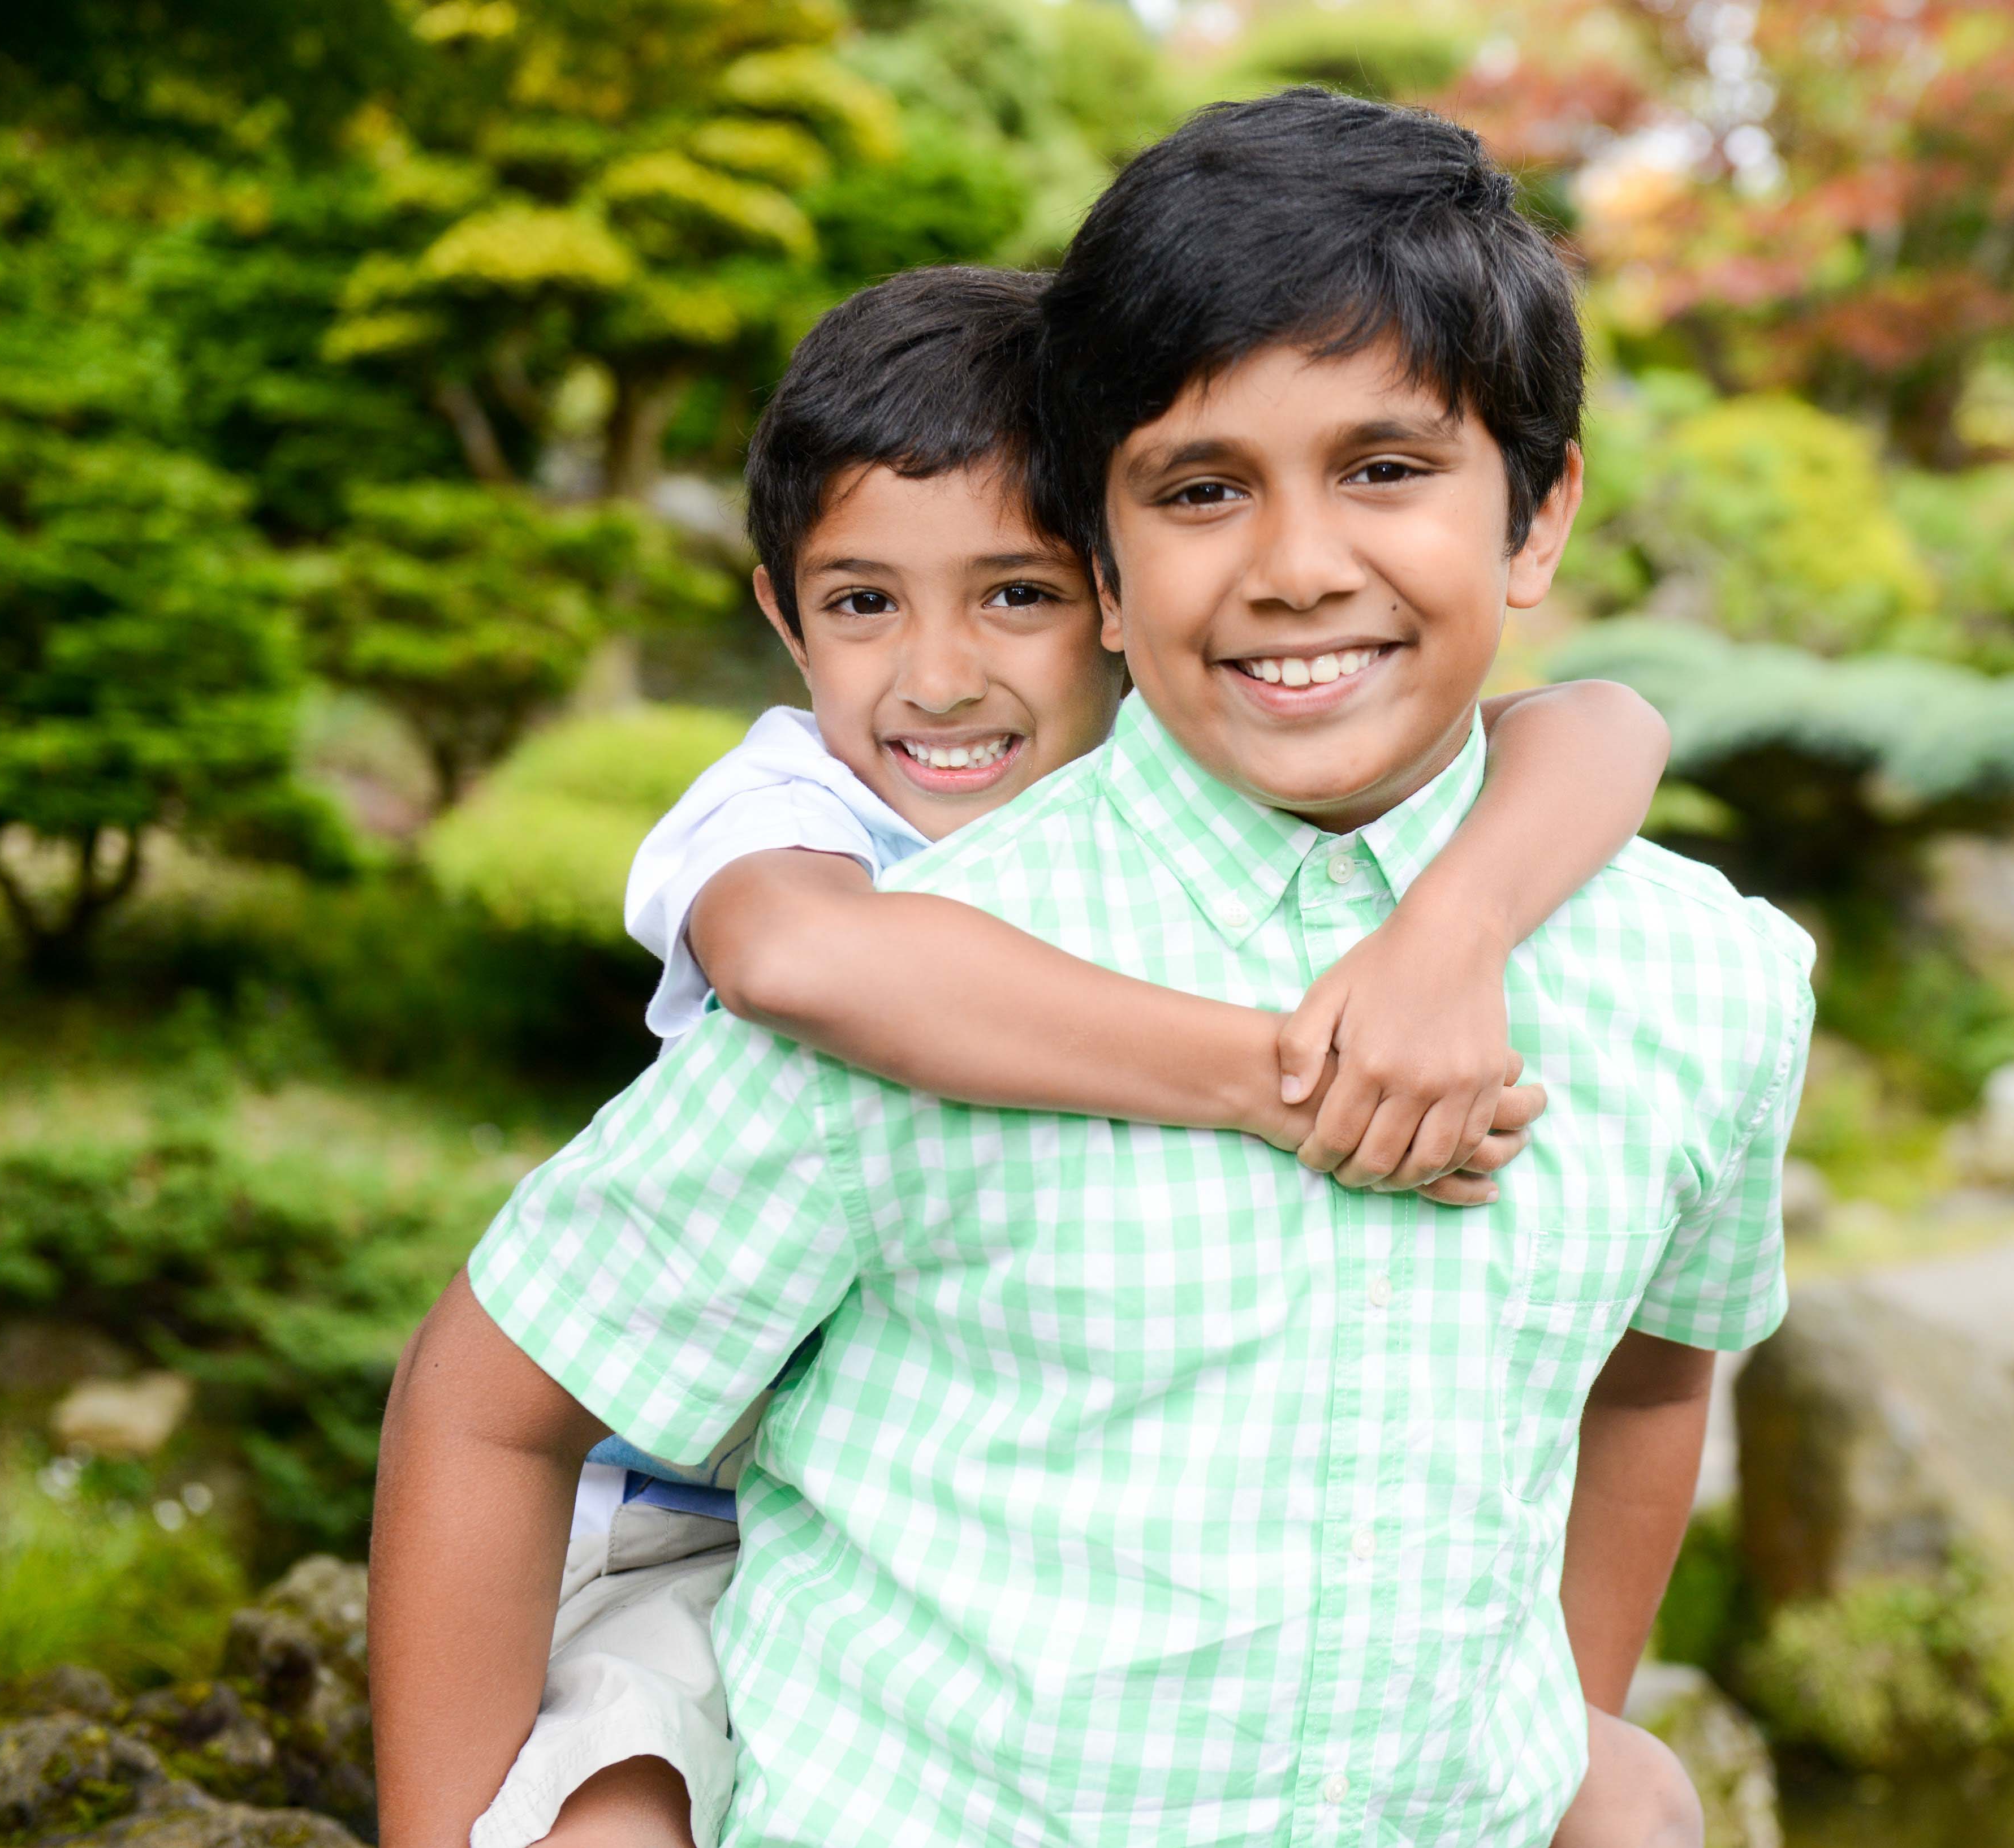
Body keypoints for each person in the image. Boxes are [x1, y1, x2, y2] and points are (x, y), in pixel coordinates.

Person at [373, 88, 1811, 1848]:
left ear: (1535, 514)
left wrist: (1548, 1743)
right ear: (1112, 566)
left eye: (1385, 468)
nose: (1297, 568)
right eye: (1203, 490)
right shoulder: (906, 961)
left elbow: (1657, 1368)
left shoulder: (1708, 980)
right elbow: (498, 1391)